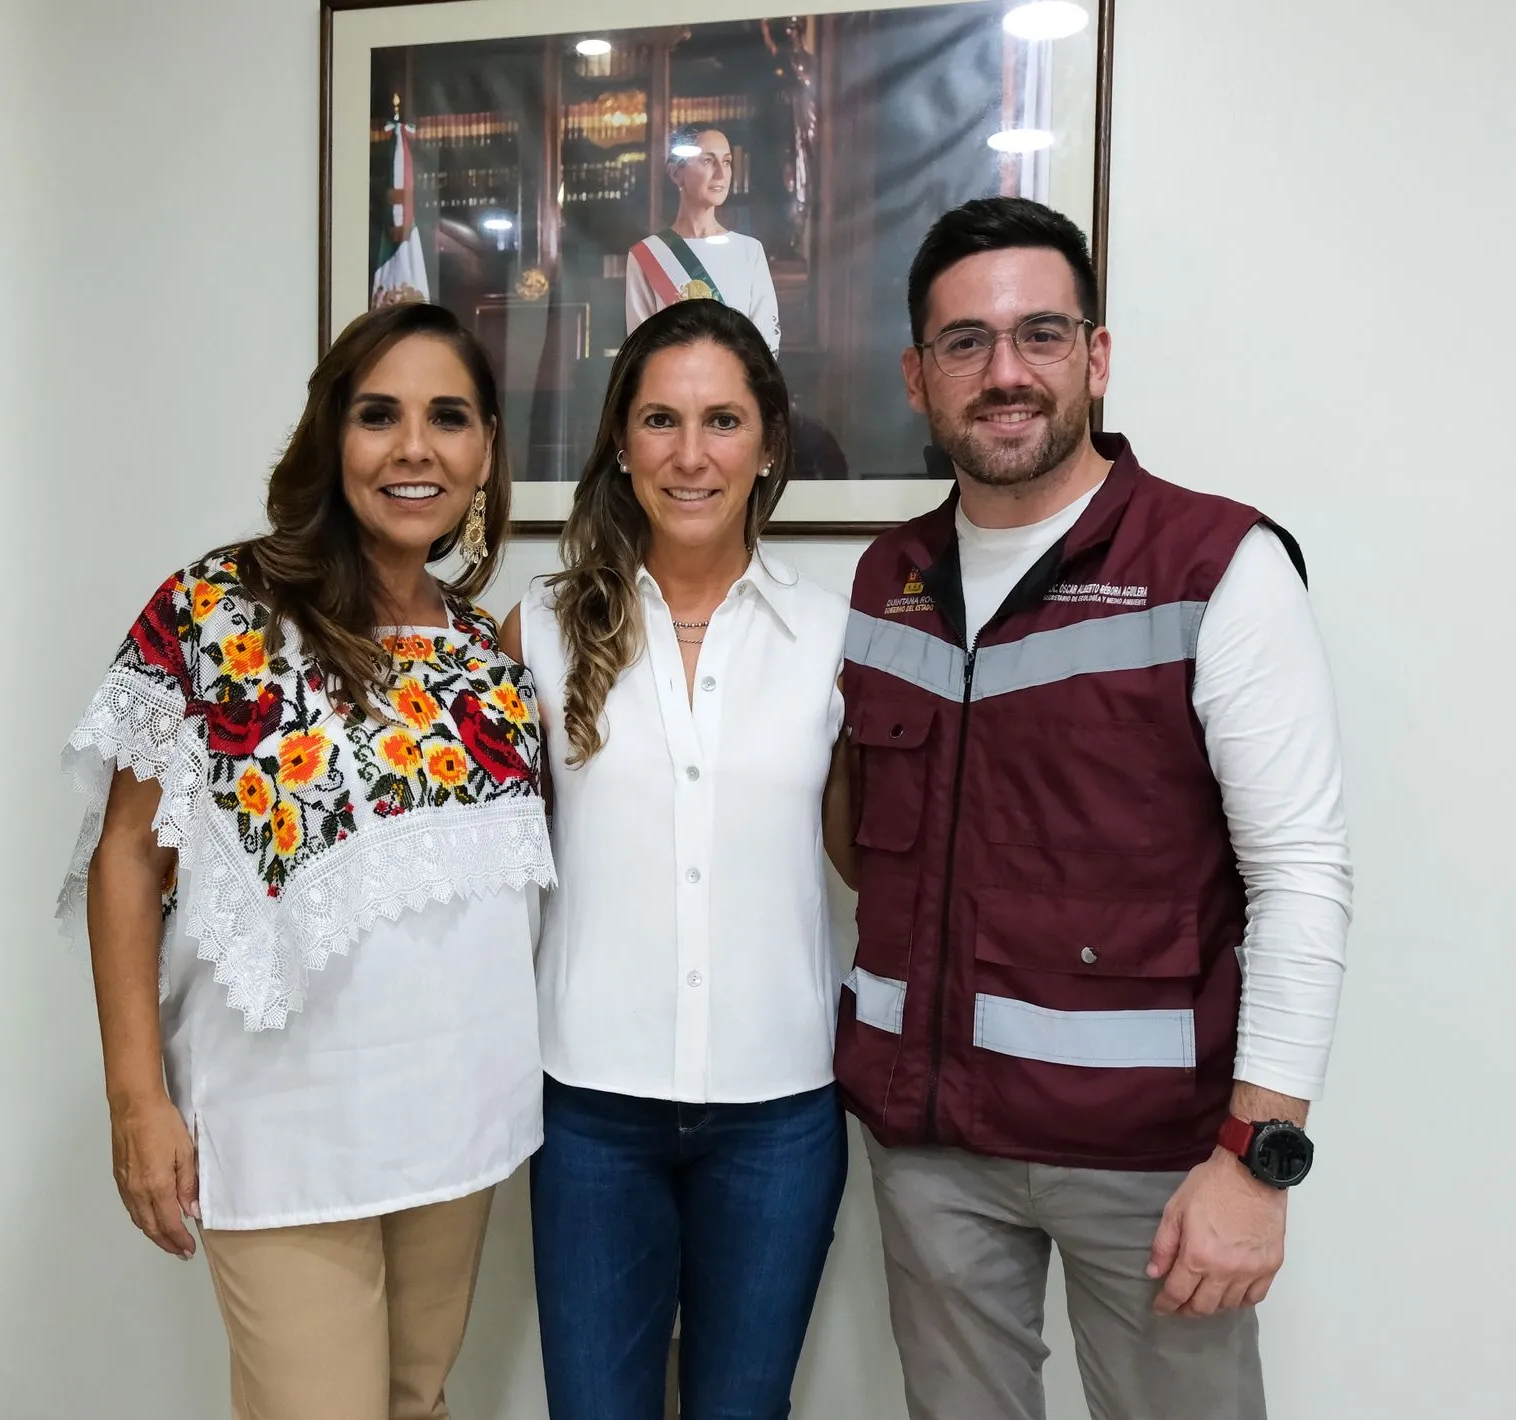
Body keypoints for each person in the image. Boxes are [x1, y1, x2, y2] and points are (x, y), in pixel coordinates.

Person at [828, 197, 1352, 1420]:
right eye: (965, 342)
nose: (1004, 373)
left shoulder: (1215, 566)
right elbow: (865, 843)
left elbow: (1300, 877)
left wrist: (1256, 1161)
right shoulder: (883, 581)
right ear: (917, 375)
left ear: (1096, 356)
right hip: (928, 1144)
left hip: (1157, 1164)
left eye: (1040, 335)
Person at [58, 302, 551, 1420]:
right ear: (331, 438)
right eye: (379, 415)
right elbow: (129, 858)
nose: (414, 447)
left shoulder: (488, 657)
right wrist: (136, 1097)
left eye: (449, 417)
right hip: (285, 1128)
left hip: (453, 1120)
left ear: (484, 452)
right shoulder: (218, 611)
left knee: (416, 1401)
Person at [501, 299, 848, 1420]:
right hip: (590, 1111)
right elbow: (498, 870)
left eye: (721, 420)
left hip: (779, 1113)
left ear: (769, 442)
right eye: (659, 419)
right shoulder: (539, 630)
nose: (689, 454)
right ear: (618, 440)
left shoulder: (836, 637)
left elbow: (869, 856)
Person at [626, 125, 781, 355]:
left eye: (727, 162)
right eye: (708, 161)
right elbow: (641, 352)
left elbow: (766, 344)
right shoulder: (647, 254)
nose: (720, 173)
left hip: (734, 389)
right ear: (675, 173)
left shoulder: (750, 252)